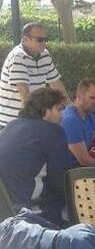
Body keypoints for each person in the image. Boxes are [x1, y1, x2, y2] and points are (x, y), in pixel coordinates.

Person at [0, 88, 70, 224]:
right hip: (31, 214)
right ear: (46, 110)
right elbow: (62, 179)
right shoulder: (54, 132)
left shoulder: (10, 126)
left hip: (5, 209)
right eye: (59, 109)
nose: (62, 115)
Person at [0, 22, 69, 128]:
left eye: (46, 39)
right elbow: (24, 93)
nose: (44, 43)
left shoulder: (45, 55)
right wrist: (35, 121)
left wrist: (70, 108)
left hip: (31, 119)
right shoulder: (18, 57)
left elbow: (56, 84)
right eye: (40, 40)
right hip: (11, 122)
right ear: (25, 39)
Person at [61, 79, 95, 167]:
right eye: (92, 98)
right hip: (72, 171)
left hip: (85, 167)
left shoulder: (90, 114)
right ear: (79, 97)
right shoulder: (71, 120)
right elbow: (84, 160)